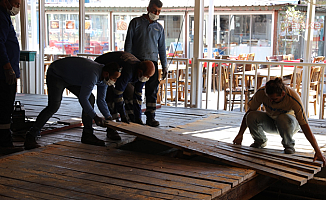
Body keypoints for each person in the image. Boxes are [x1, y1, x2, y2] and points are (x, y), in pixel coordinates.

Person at [24, 57, 122, 150]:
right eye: (114, 78)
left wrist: (108, 117)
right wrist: (95, 116)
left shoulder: (103, 79)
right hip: (57, 74)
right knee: (53, 106)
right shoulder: (93, 74)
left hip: (71, 77)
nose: (115, 81)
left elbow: (101, 100)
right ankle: (31, 135)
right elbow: (83, 99)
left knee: (91, 98)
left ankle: (87, 134)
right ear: (106, 74)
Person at [233, 78, 326, 165]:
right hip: (271, 121)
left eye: (274, 99)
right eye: (269, 98)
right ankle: (259, 141)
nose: (271, 101)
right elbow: (248, 113)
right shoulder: (261, 92)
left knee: (282, 117)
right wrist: (240, 134)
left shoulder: (293, 98)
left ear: (283, 94)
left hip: (289, 125)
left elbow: (305, 125)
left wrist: (317, 150)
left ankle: (288, 145)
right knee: (251, 115)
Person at [124, 0, 167, 127]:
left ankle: (151, 117)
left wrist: (164, 66)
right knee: (134, 90)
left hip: (152, 63)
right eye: (154, 10)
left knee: (152, 90)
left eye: (159, 11)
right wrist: (128, 61)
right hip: (136, 61)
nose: (156, 13)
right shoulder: (135, 23)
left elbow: (162, 49)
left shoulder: (159, 28)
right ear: (148, 8)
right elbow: (128, 44)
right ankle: (133, 116)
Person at [95, 51, 155, 140]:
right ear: (140, 72)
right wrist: (122, 115)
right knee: (111, 97)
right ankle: (111, 129)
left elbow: (137, 95)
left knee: (130, 94)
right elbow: (118, 95)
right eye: (147, 76)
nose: (147, 78)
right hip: (104, 66)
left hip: (120, 70)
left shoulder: (141, 74)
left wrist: (138, 118)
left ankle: (132, 121)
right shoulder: (128, 71)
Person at [0, 0, 23, 154]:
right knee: (5, 108)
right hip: (4, 74)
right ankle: (5, 144)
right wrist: (8, 68)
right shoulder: (1, 17)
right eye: (16, 2)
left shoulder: (5, 16)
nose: (18, 6)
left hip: (6, 71)